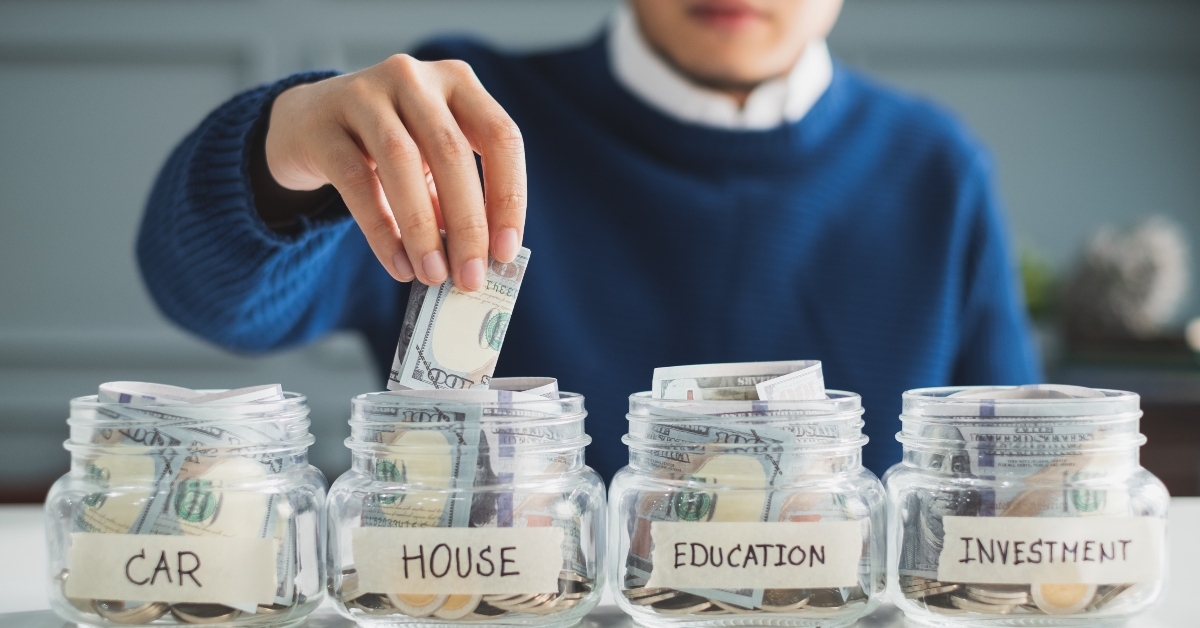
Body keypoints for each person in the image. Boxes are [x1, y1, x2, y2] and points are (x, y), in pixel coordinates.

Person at [138, 0, 1040, 482]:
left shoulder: (937, 168)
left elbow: (1017, 468)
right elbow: (211, 297)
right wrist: (277, 144)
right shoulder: (467, 121)